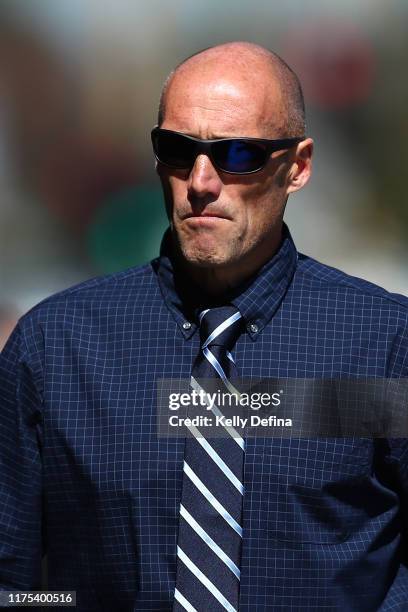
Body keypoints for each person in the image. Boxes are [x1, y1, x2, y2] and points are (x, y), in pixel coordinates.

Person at [0, 41, 407, 612]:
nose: (201, 181)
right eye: (176, 149)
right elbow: (15, 582)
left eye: (238, 154)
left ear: (298, 167)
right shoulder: (57, 348)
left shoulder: (383, 345)